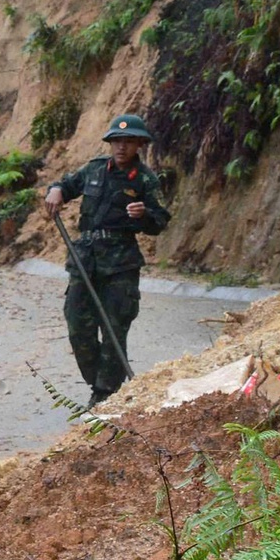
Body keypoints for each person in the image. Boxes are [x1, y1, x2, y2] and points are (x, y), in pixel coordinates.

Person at [42, 114, 171, 405]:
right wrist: (56, 190)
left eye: (128, 141)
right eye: (116, 141)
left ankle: (104, 393)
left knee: (114, 329)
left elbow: (160, 220)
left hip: (121, 264)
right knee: (77, 326)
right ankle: (99, 381)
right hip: (85, 260)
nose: (121, 147)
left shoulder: (146, 179)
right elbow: (66, 185)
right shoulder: (94, 169)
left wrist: (144, 215)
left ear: (139, 144)